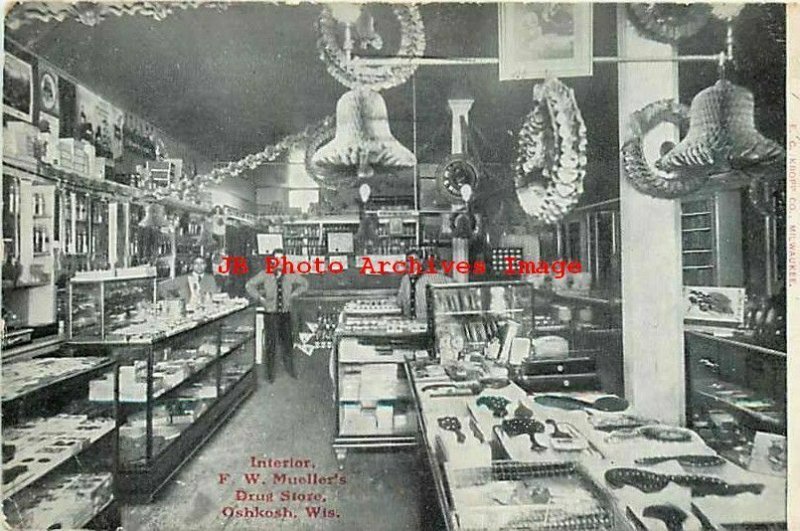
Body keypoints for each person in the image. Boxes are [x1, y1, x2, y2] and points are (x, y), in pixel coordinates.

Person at [245, 249, 309, 381]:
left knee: (287, 343)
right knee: (270, 344)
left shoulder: (290, 274)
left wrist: (294, 294)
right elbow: (249, 285)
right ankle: (269, 375)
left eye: (282, 259)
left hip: (285, 314)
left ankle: (290, 370)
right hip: (270, 315)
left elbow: (305, 284)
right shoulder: (265, 274)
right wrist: (260, 298)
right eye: (276, 259)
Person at [396, 250, 452, 322]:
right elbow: (399, 302)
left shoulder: (431, 277)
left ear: (421, 262)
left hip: (426, 321)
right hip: (410, 323)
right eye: (409, 261)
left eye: (415, 260)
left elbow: (449, 287)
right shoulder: (405, 280)